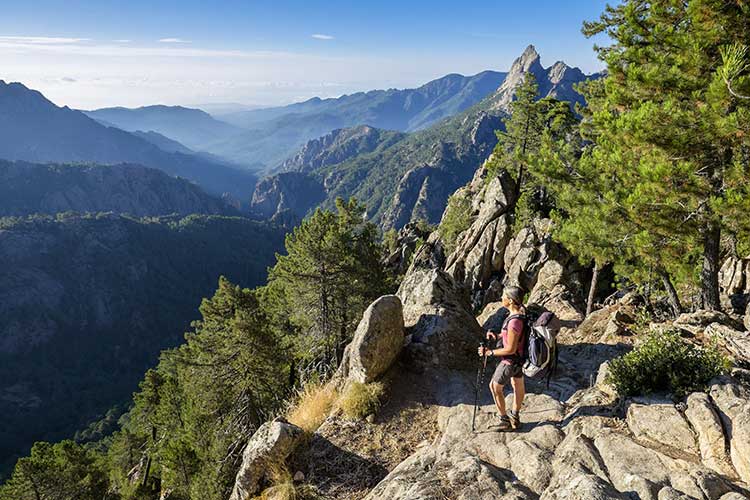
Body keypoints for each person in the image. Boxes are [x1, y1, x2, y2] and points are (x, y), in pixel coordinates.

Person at [477, 286, 526, 430]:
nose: (501, 298)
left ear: (510, 301)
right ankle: (515, 416)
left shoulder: (514, 321)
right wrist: (498, 336)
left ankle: (504, 420)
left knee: (494, 386)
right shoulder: (518, 316)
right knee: (518, 385)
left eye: (504, 296)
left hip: (510, 361)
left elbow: (510, 348)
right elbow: (514, 337)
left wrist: (489, 352)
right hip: (519, 359)